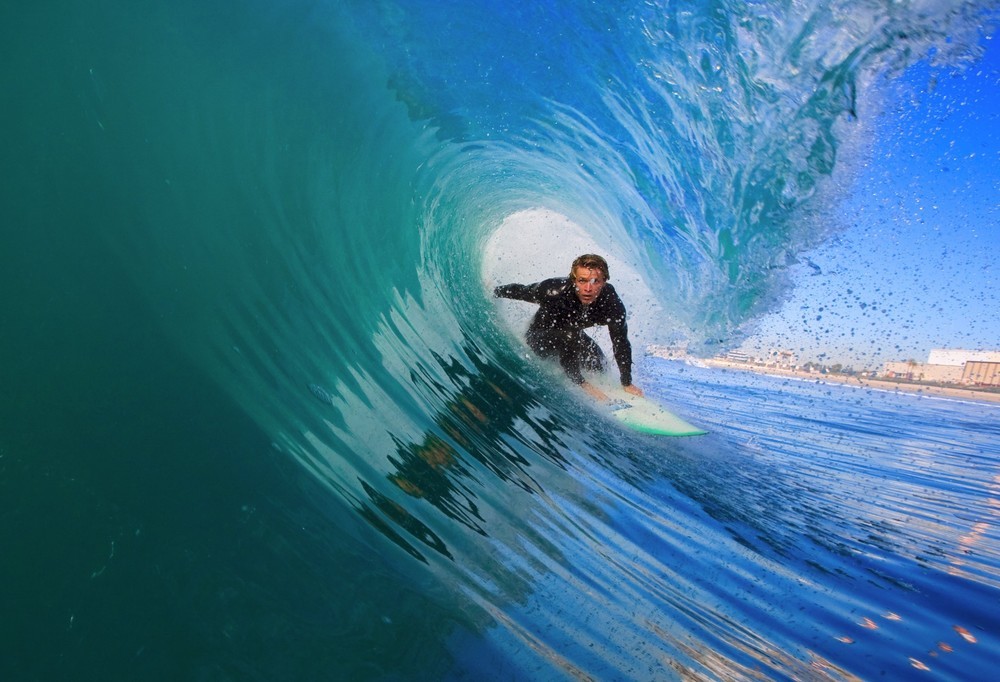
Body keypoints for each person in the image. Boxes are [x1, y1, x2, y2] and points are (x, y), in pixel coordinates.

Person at [494, 253, 644, 401]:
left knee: (598, 361)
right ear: (574, 280)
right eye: (582, 281)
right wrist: (494, 291)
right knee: (571, 336)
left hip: (572, 338)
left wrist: (626, 382)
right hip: (539, 338)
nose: (588, 288)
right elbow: (521, 291)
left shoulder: (612, 305)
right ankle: (581, 383)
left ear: (604, 282)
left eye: (595, 281)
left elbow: (621, 342)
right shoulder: (553, 291)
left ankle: (607, 385)